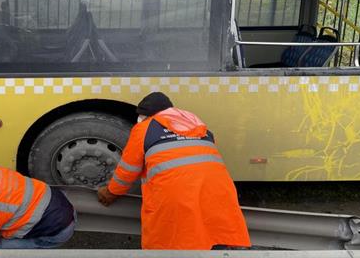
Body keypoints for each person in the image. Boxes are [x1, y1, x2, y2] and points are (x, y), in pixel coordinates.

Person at [97, 92, 251, 250]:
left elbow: (127, 170)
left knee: (174, 242)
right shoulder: (201, 128)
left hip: (175, 198)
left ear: (147, 115)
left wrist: (111, 192)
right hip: (219, 194)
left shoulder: (144, 129)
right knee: (214, 237)